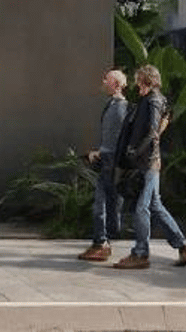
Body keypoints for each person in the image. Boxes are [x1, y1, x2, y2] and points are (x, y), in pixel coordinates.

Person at [112, 64, 186, 269]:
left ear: (147, 80)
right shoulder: (146, 100)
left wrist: (136, 152)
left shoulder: (153, 100)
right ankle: (184, 247)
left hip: (148, 162)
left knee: (143, 207)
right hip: (146, 161)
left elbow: (152, 132)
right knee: (154, 205)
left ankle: (141, 254)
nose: (136, 84)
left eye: (139, 80)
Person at [77, 68, 128, 262]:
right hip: (106, 161)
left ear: (115, 84)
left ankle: (102, 243)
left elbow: (117, 140)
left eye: (106, 79)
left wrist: (100, 153)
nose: (103, 81)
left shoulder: (120, 107)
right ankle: (101, 243)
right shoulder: (113, 105)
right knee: (102, 204)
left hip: (111, 163)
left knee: (103, 204)